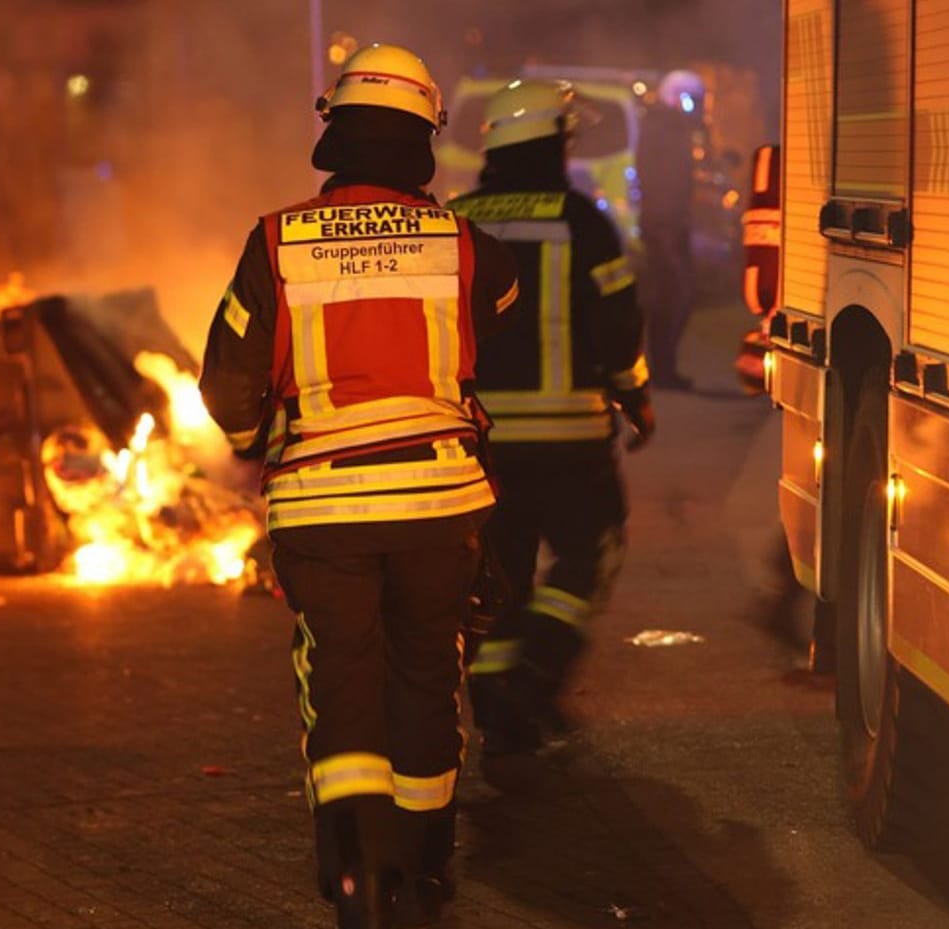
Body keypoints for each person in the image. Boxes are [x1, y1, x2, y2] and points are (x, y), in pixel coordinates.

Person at [198, 44, 518, 929]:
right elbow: (502, 306)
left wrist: (251, 439)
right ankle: (420, 868)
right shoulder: (460, 242)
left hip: (321, 509)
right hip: (440, 505)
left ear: (333, 131)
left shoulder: (276, 239)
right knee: (425, 672)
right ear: (424, 137)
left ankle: (357, 871)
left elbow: (227, 386)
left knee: (339, 675)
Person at [448, 79, 655, 763]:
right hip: (569, 437)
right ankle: (533, 675)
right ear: (549, 144)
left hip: (479, 442)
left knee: (497, 574)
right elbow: (617, 322)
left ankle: (498, 704)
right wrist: (634, 396)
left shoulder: (456, 222)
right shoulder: (584, 220)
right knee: (589, 552)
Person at [635, 69, 704, 390]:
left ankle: (664, 368)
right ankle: (662, 370)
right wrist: (667, 221)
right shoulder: (662, 127)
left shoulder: (669, 126)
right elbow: (661, 179)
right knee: (672, 295)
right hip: (664, 224)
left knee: (675, 295)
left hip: (669, 222)